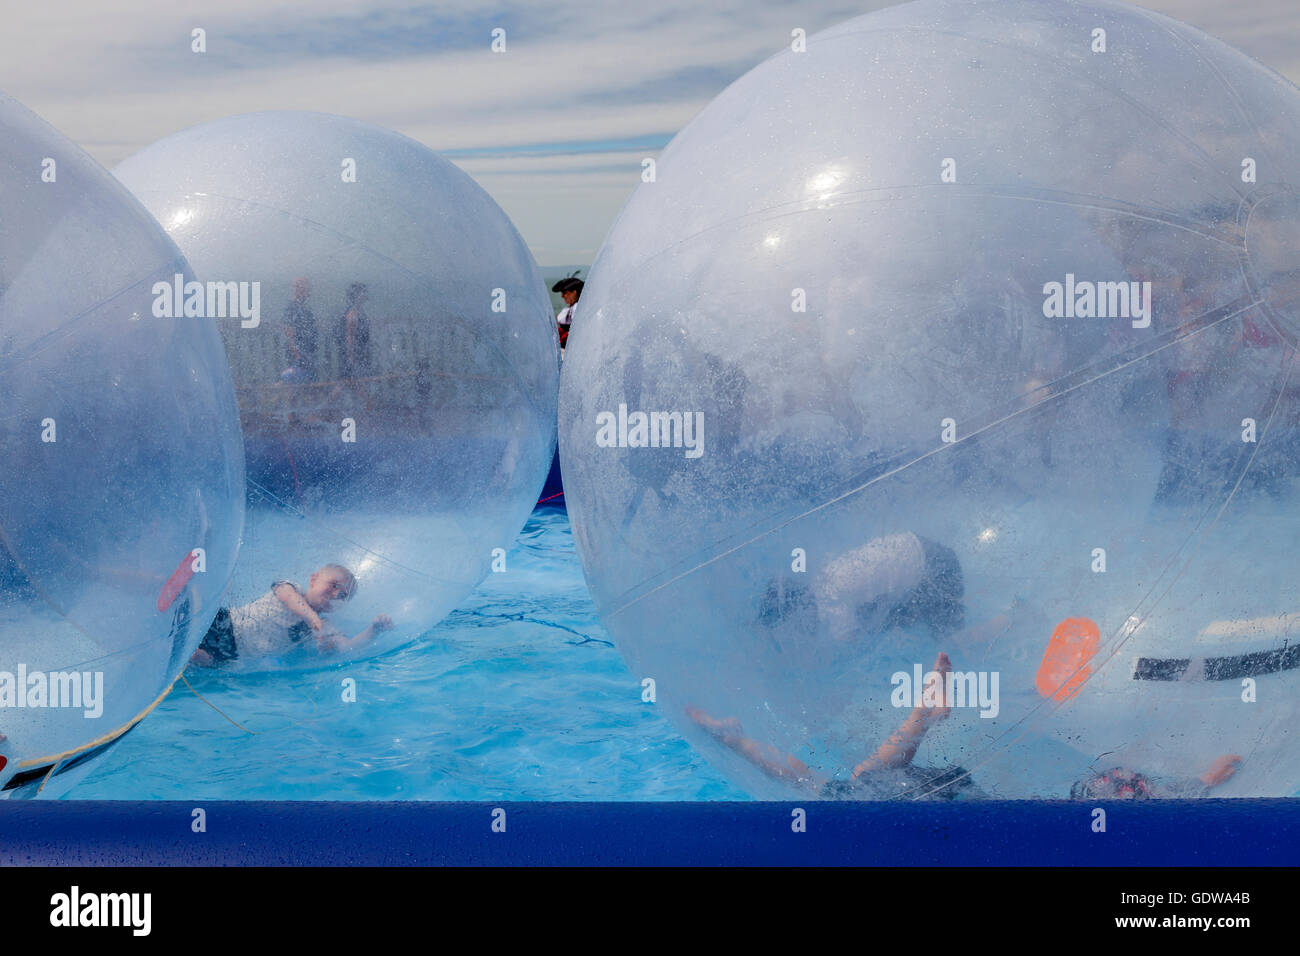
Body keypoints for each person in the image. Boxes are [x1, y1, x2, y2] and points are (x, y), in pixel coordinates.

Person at [689, 652, 981, 800]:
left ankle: (924, 715)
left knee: (849, 780)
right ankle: (923, 714)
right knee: (841, 782)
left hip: (941, 796)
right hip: (949, 797)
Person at [191, 564, 392, 665]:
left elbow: (347, 647)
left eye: (342, 595)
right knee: (194, 619)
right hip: (226, 623)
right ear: (314, 579)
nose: (334, 594)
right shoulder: (290, 588)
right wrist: (312, 618)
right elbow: (288, 598)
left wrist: (374, 630)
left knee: (203, 660)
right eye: (332, 585)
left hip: (233, 655)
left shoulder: (325, 626)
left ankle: (186, 654)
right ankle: (189, 591)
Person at [281, 277, 318, 382]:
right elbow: (290, 333)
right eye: (306, 288)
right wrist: (297, 356)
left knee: (306, 384)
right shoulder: (292, 307)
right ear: (299, 290)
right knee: (297, 384)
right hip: (299, 352)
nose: (309, 291)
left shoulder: (304, 307)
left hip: (307, 350)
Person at [338, 282, 372, 379]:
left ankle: (332, 394)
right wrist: (351, 357)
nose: (365, 294)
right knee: (356, 382)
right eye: (363, 292)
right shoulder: (352, 313)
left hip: (360, 353)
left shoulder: (359, 311)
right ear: (356, 295)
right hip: (355, 355)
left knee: (347, 382)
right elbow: (350, 336)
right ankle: (331, 394)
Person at [552, 275, 583, 349]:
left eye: (564, 292)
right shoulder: (569, 309)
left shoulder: (577, 308)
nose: (562, 296)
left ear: (574, 292)